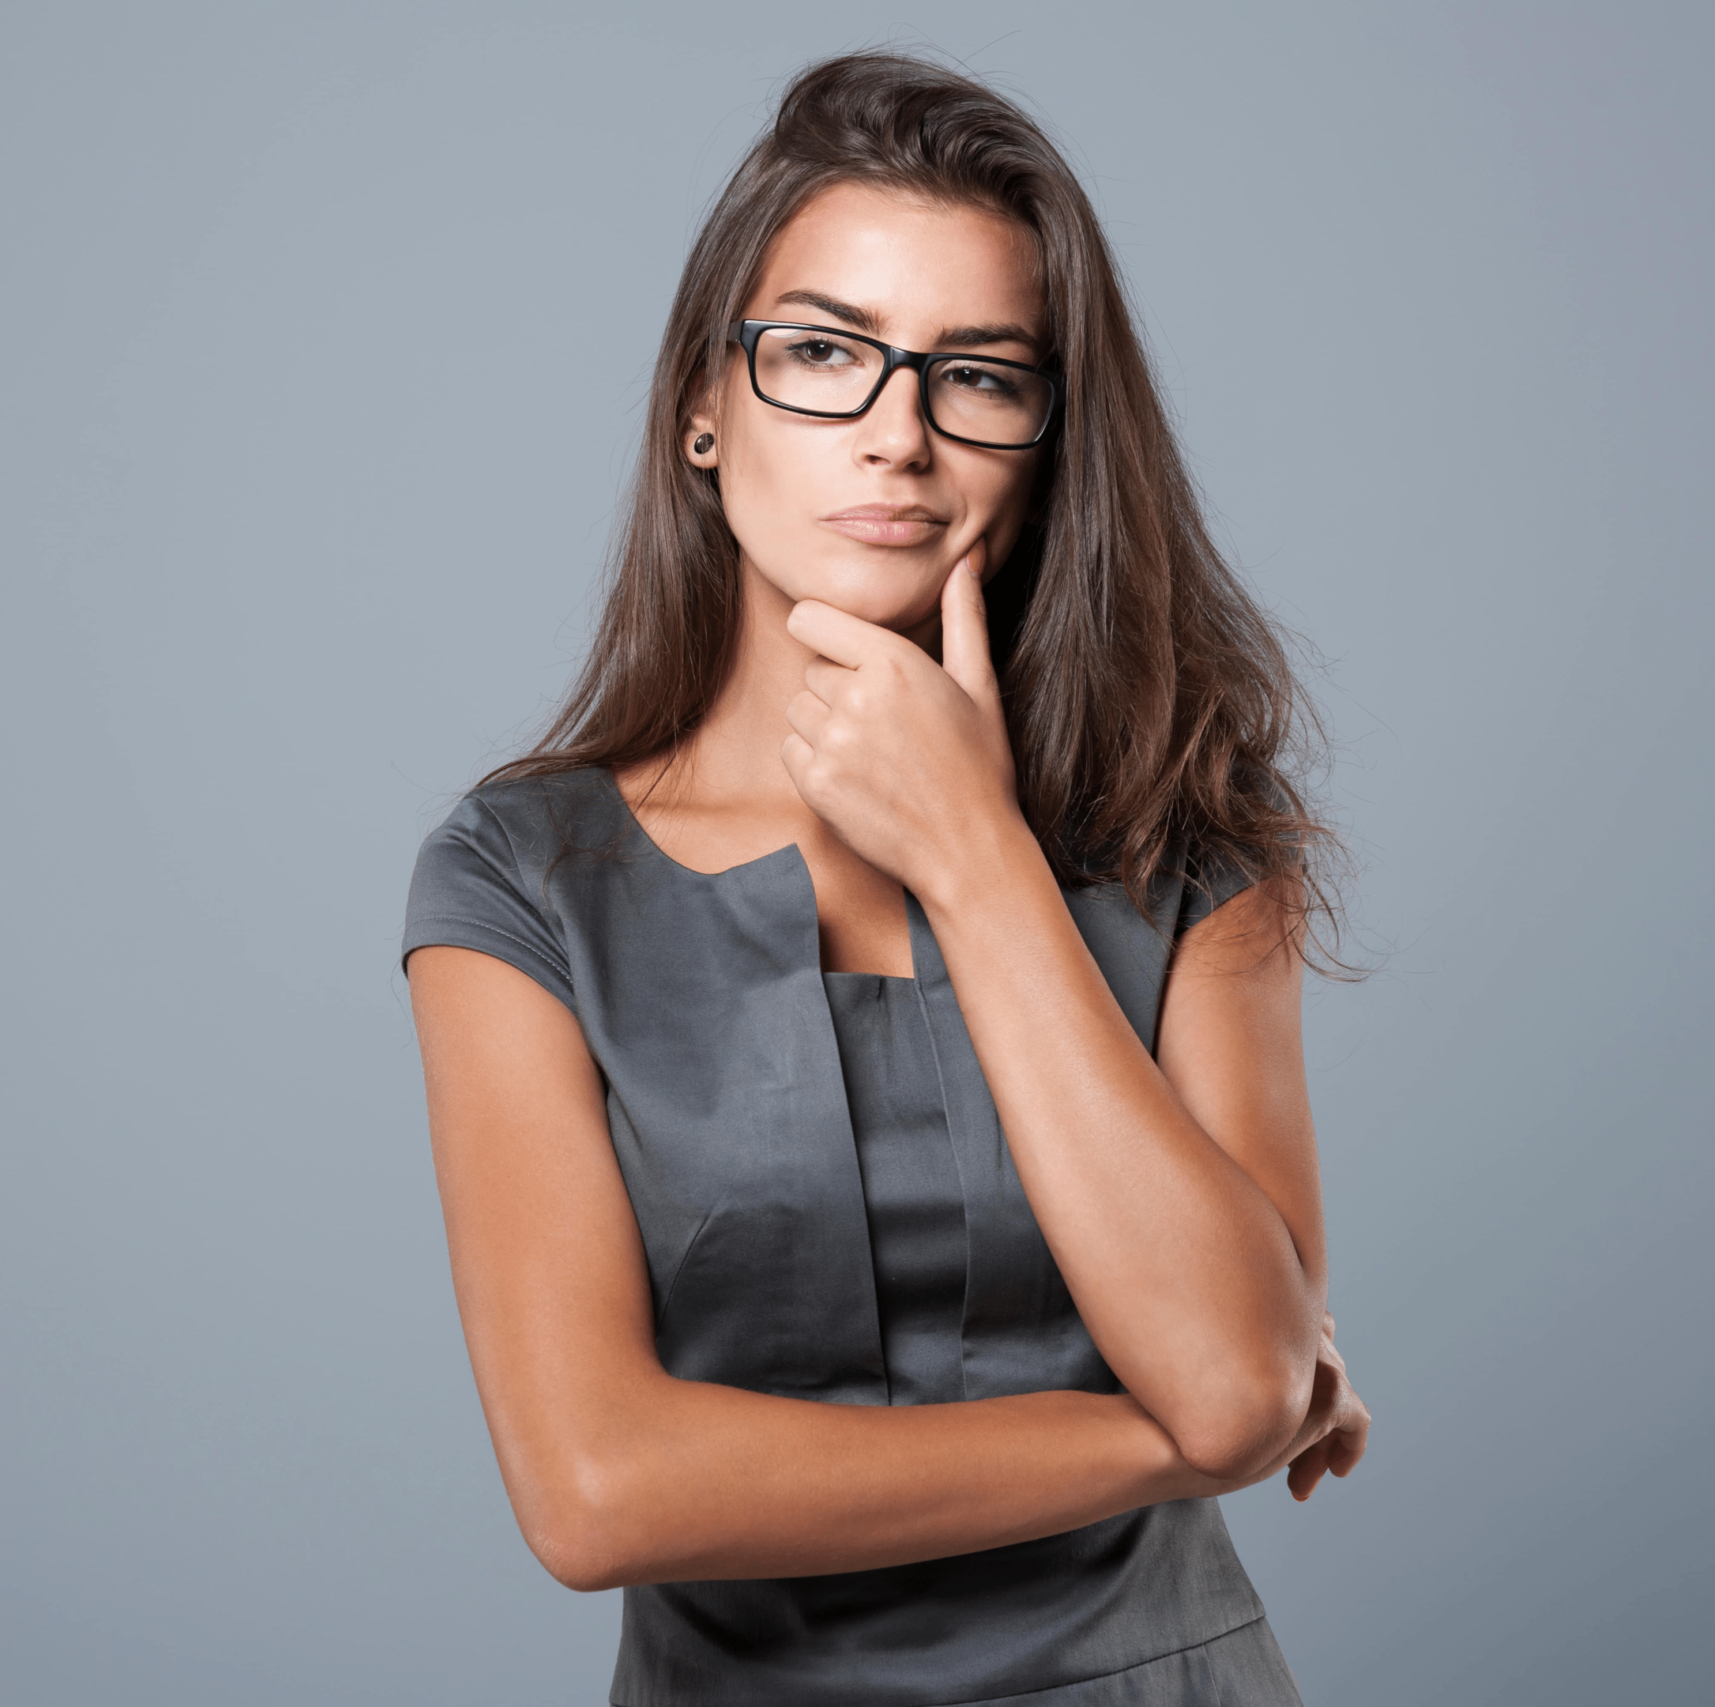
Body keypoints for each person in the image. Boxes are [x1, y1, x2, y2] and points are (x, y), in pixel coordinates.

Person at [401, 51, 1371, 1707]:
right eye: (827, 355)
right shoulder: (523, 880)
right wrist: (1156, 1433)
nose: (898, 436)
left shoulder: (1192, 835)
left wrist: (978, 854)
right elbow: (596, 1489)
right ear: (703, 408)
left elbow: (1237, 1379)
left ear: (1048, 438)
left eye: (978, 375)